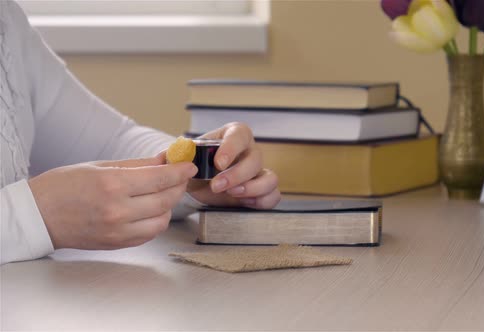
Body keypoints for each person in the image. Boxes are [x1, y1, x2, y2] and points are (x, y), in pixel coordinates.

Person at [0, 0, 280, 265]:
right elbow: (42, 211)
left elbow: (109, 143)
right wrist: (34, 215)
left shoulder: (7, 21)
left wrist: (198, 172)